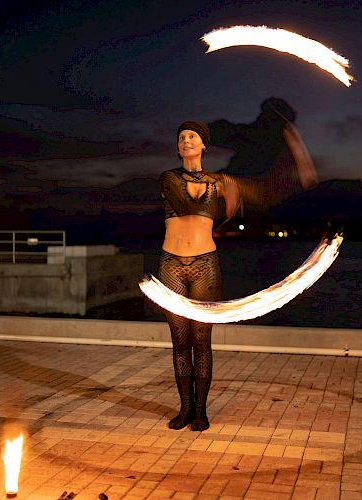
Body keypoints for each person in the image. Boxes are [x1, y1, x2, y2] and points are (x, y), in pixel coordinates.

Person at [159, 120, 243, 432]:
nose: (185, 141)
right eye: (181, 137)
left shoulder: (219, 181)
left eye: (192, 136)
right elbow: (183, 206)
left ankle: (200, 412)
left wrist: (233, 196)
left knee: (201, 341)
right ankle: (184, 408)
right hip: (171, 265)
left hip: (205, 264)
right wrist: (220, 190)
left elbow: (258, 195)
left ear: (203, 144)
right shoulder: (168, 178)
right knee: (180, 342)